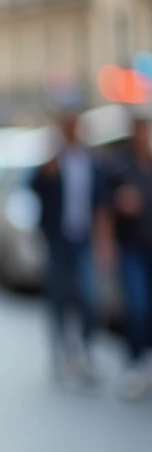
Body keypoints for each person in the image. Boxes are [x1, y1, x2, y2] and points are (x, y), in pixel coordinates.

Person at [32, 112, 108, 384]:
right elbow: (34, 188)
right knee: (59, 298)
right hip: (59, 240)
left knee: (89, 298)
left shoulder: (92, 163)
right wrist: (45, 173)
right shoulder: (54, 161)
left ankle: (86, 352)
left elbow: (100, 204)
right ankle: (60, 352)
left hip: (83, 240)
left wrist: (103, 242)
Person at [104, 116, 152, 397]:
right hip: (131, 248)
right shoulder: (119, 166)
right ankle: (135, 363)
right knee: (137, 307)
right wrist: (106, 245)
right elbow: (104, 208)